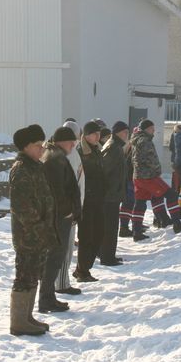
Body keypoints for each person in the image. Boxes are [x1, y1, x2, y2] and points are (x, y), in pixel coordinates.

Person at [8, 124, 58, 337]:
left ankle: (27, 317)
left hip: (39, 233)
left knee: (33, 274)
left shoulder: (34, 166)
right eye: (38, 145)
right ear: (27, 147)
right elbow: (23, 207)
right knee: (24, 275)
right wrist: (39, 228)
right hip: (29, 235)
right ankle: (19, 322)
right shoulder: (21, 169)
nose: (42, 149)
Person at [39, 126, 81, 314]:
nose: (73, 145)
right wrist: (67, 212)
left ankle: (48, 297)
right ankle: (46, 299)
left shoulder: (55, 155)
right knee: (54, 257)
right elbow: (57, 192)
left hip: (57, 216)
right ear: (61, 141)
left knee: (56, 257)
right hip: (58, 217)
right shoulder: (54, 158)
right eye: (71, 141)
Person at [129, 119, 181, 240]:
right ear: (147, 129)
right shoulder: (145, 141)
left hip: (138, 176)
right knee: (171, 195)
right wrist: (156, 168)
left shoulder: (136, 139)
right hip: (148, 176)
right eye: (152, 128)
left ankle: (137, 232)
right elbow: (150, 159)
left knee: (140, 203)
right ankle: (176, 223)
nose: (154, 131)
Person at [73, 121, 106, 283]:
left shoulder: (97, 149)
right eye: (94, 133)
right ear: (86, 135)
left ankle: (83, 268)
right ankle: (82, 271)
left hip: (98, 199)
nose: (97, 136)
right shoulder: (81, 151)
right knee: (86, 237)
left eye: (99, 134)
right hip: (86, 201)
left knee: (98, 234)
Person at [55, 119, 84, 297]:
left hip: (69, 207)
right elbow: (75, 183)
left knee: (65, 248)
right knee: (64, 248)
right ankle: (62, 283)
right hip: (67, 209)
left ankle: (60, 282)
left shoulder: (68, 153)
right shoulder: (70, 155)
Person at [99, 121, 129, 266]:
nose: (127, 135)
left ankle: (109, 254)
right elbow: (105, 171)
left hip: (113, 193)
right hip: (110, 195)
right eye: (125, 132)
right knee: (109, 227)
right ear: (118, 132)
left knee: (111, 227)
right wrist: (112, 188)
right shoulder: (113, 147)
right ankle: (107, 257)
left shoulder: (116, 146)